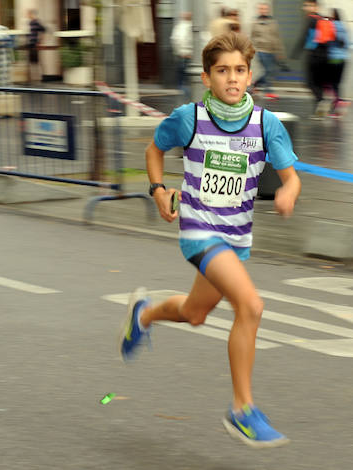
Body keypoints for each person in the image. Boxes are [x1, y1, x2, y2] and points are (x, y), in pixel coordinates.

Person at [120, 32, 302, 448]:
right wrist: (157, 190)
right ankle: (243, 410)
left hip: (235, 237)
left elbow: (291, 176)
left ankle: (144, 314)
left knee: (195, 312)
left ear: (250, 76)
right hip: (199, 229)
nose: (232, 79)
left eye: (239, 70)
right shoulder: (190, 118)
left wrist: (290, 189)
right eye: (222, 71)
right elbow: (153, 149)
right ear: (207, 77)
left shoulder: (265, 125)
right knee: (251, 306)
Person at [291, 0, 329, 118]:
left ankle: (321, 100)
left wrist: (295, 53)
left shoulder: (310, 19)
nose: (305, 8)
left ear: (315, 7)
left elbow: (303, 37)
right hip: (324, 55)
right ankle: (318, 111)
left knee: (309, 82)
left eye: (307, 5)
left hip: (313, 55)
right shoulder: (323, 19)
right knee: (318, 83)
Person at [250, 2, 285, 100]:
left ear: (268, 10)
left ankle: (255, 84)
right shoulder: (255, 23)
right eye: (261, 9)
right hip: (261, 50)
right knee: (268, 70)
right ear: (259, 10)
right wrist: (254, 49)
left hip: (272, 51)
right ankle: (268, 92)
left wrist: (280, 52)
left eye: (265, 9)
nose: (263, 10)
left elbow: (277, 38)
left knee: (270, 71)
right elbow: (252, 37)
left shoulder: (273, 22)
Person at [326, 8, 350, 116]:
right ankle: (338, 105)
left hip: (333, 58)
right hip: (343, 59)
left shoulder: (330, 26)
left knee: (331, 83)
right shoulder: (344, 27)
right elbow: (349, 44)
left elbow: (326, 42)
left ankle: (338, 102)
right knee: (337, 84)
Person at [170, 11, 193, 100]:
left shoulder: (179, 27)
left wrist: (179, 52)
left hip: (182, 56)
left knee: (182, 80)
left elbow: (175, 40)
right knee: (189, 80)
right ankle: (189, 98)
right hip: (189, 56)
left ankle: (183, 99)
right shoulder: (191, 27)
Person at [26, 9, 46, 84]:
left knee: (36, 61)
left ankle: (40, 77)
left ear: (32, 14)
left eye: (28, 14)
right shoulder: (30, 23)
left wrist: (40, 41)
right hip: (30, 44)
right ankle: (33, 78)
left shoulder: (36, 22)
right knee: (31, 61)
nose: (28, 15)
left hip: (34, 44)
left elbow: (44, 30)